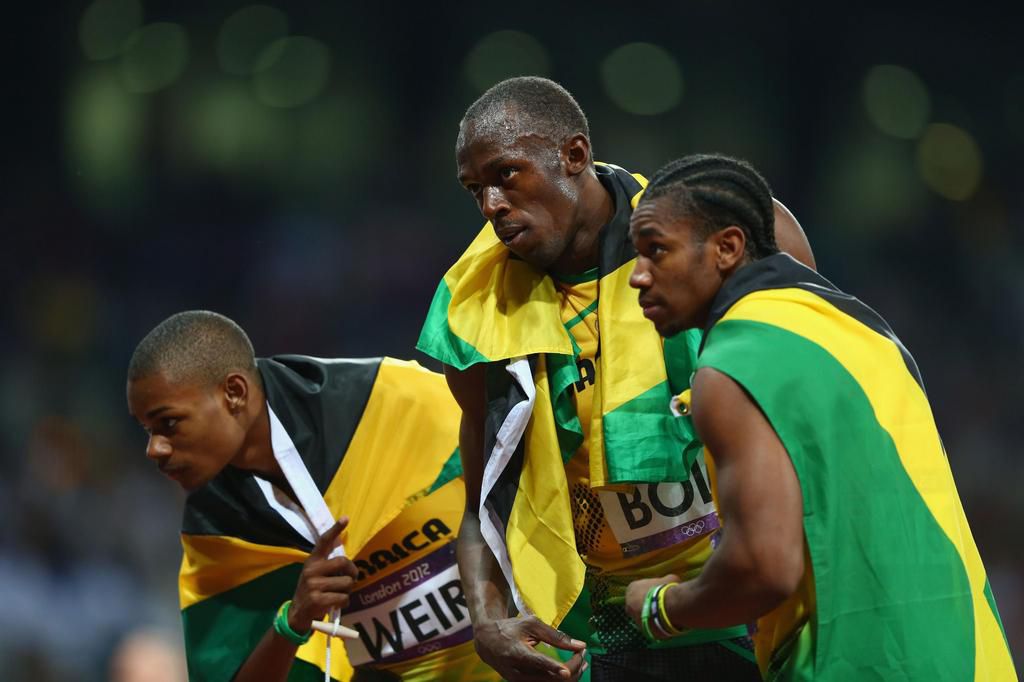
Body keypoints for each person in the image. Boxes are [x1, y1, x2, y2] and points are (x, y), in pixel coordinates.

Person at [416, 77, 816, 682]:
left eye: (506, 175)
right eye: (475, 189)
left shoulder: (738, 238)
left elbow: (820, 423)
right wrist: (487, 620)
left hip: (755, 603)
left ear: (574, 155)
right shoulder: (474, 314)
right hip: (615, 627)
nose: (491, 205)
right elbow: (483, 504)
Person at [623, 153, 1018, 680]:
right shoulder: (866, 331)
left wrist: (662, 607)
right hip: (974, 658)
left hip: (854, 665)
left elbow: (763, 568)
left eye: (656, 250)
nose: (638, 276)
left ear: (728, 248)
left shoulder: (732, 363)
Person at [126, 310, 501, 682]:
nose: (154, 449)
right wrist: (294, 621)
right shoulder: (215, 528)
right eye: (147, 430)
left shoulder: (389, 400)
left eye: (168, 423)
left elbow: (523, 477)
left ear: (234, 393)